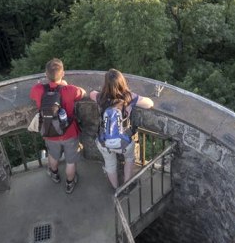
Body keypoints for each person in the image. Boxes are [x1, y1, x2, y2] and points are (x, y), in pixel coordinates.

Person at [90, 69, 154, 189]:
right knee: (129, 159)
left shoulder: (101, 97)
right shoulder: (128, 97)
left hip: (104, 142)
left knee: (110, 165)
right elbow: (149, 103)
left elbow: (91, 94)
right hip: (123, 142)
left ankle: (116, 189)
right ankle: (126, 186)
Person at [30, 58, 86, 194]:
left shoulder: (38, 89)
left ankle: (54, 174)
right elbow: (83, 93)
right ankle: (69, 184)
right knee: (71, 161)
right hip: (69, 132)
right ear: (63, 73)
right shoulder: (70, 90)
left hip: (50, 131)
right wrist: (64, 84)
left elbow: (32, 96)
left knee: (53, 155)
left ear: (45, 74)